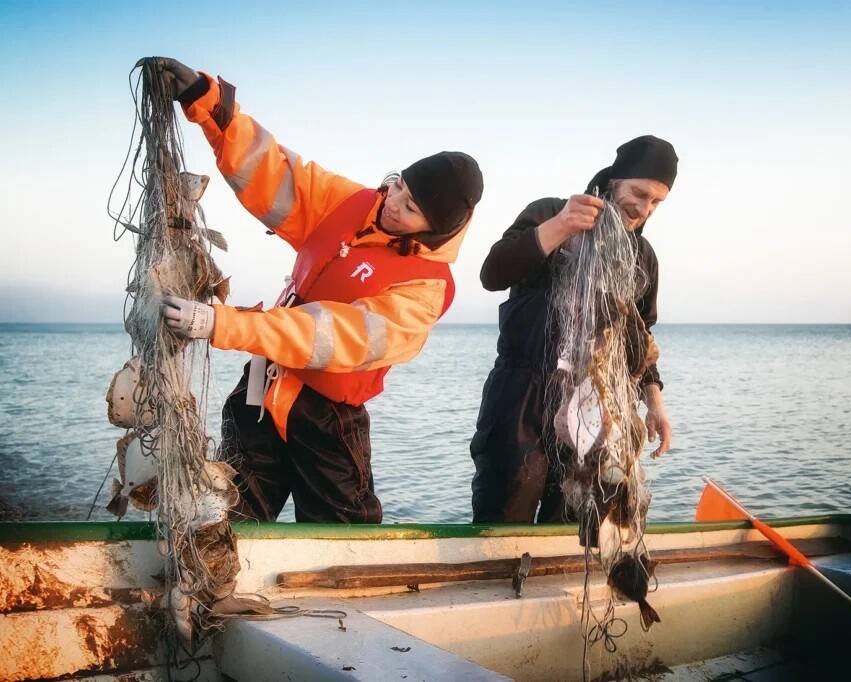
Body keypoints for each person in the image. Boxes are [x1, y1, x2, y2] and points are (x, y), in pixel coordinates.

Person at [154, 58, 483, 523]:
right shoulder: (352, 204)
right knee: (223, 518)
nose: (392, 205)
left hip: (327, 420)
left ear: (434, 230)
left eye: (410, 208)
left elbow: (327, 336)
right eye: (398, 187)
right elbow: (275, 172)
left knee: (342, 538)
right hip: (261, 393)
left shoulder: (425, 288)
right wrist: (210, 104)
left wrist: (220, 323)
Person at [471, 135, 676, 523]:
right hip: (522, 396)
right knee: (504, 509)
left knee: (572, 517)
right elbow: (493, 272)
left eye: (656, 202)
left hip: (595, 401)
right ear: (615, 179)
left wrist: (655, 403)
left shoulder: (642, 257)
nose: (644, 208)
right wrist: (562, 225)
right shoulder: (552, 212)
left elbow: (639, 339)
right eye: (639, 192)